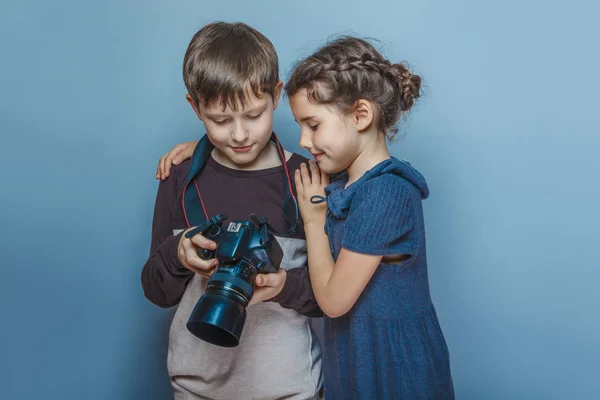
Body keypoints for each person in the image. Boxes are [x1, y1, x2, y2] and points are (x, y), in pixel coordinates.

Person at [160, 36, 454, 399]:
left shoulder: (384, 193)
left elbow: (331, 301)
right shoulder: (347, 185)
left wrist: (313, 220)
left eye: (312, 125)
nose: (303, 139)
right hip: (351, 358)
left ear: (361, 115)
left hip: (391, 368)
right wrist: (205, 149)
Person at [142, 22, 322, 400]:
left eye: (254, 116)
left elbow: (331, 295)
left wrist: (283, 285)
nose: (239, 135)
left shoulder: (307, 179)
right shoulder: (180, 177)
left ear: (276, 95)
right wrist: (179, 254)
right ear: (195, 107)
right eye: (221, 121)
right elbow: (156, 291)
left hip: (289, 389)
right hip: (196, 388)